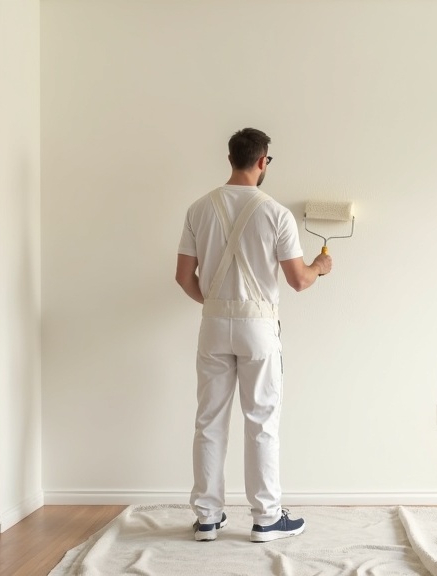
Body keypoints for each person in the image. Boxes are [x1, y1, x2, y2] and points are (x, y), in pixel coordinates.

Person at [175, 128, 331, 543]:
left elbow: (182, 277)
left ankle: (207, 518)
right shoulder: (276, 213)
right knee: (260, 421)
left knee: (208, 421)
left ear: (231, 158)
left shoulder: (198, 209)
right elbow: (298, 281)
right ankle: (266, 518)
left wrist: (215, 305)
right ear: (262, 162)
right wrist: (320, 267)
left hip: (213, 325)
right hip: (258, 329)